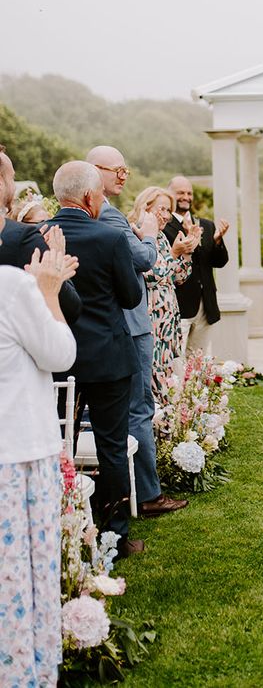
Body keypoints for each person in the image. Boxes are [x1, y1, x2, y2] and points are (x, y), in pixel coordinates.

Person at [47, 160, 144, 558]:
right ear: (89, 196)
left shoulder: (37, 237)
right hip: (107, 360)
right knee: (111, 448)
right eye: (101, 193)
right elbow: (131, 297)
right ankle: (114, 537)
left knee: (57, 444)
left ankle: (59, 527)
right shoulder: (109, 238)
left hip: (55, 360)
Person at [87, 146, 187, 518]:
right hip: (131, 324)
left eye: (127, 170)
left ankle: (122, 489)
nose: (124, 176)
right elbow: (145, 261)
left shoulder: (93, 215)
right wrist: (146, 235)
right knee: (139, 408)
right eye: (119, 170)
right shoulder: (111, 218)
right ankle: (146, 493)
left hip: (103, 326)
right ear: (96, 171)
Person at [0, 237, 77, 688]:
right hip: (16, 456)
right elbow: (61, 354)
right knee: (19, 580)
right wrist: (48, 292)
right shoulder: (11, 286)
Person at [127, 187, 196, 405]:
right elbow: (152, 275)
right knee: (153, 379)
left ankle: (167, 428)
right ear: (145, 207)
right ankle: (156, 430)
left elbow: (178, 278)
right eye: (161, 209)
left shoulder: (161, 238)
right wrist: (174, 254)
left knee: (167, 379)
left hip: (168, 321)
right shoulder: (136, 234)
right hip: (151, 318)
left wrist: (185, 252)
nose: (166, 215)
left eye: (169, 210)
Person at [0, 144, 81, 325]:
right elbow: (71, 308)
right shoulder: (24, 238)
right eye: (12, 178)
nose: (14, 186)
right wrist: (56, 258)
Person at [166, 176, 229, 356]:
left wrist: (217, 241)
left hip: (205, 304)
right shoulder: (164, 226)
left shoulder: (206, 225)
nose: (186, 197)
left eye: (189, 193)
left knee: (198, 360)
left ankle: (197, 385)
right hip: (179, 304)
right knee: (176, 359)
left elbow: (220, 262)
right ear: (170, 195)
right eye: (180, 193)